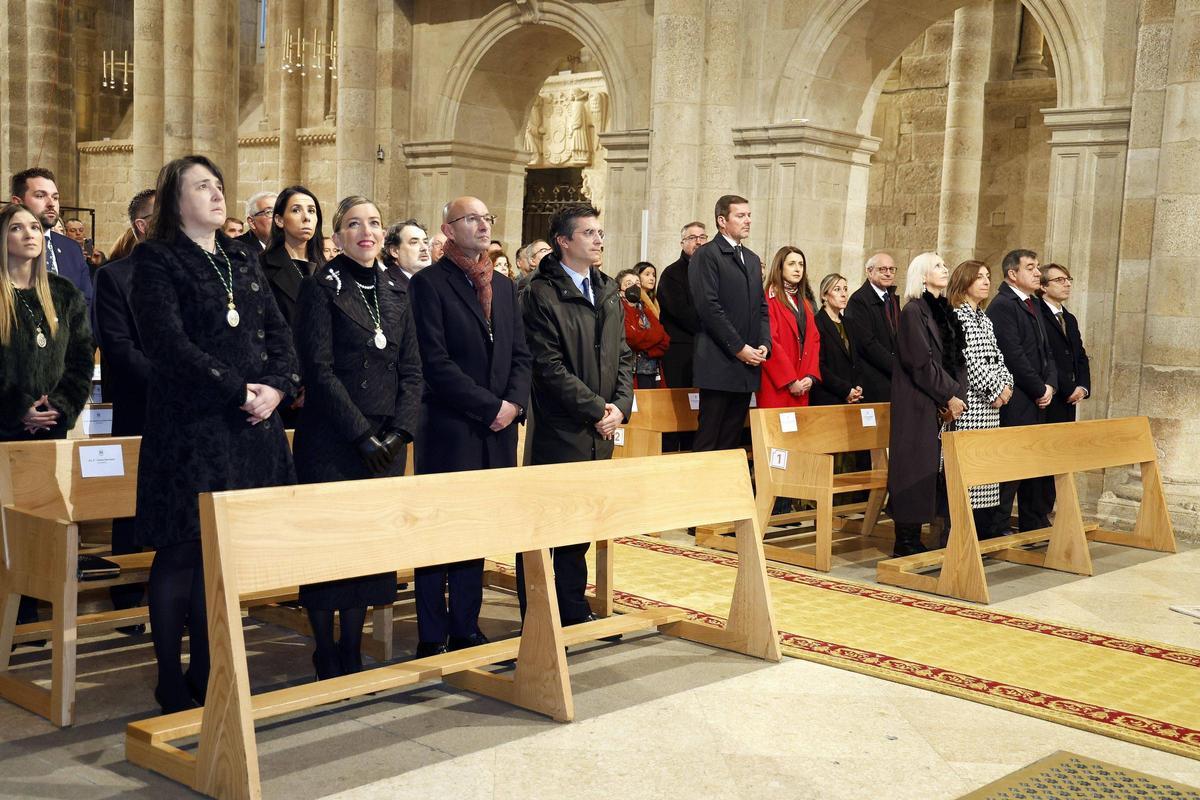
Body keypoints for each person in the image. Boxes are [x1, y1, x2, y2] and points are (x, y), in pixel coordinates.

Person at [131, 156, 299, 713]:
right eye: (202, 186)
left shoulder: (241, 255)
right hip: (190, 428)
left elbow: (278, 331)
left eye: (219, 185)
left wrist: (275, 388)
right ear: (175, 201)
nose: (216, 194)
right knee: (182, 550)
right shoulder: (157, 259)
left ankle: (208, 666)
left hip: (248, 428)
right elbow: (167, 343)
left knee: (223, 555)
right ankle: (168, 675)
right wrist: (238, 390)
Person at [292, 196, 421, 679]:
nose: (365, 231)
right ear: (339, 236)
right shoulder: (320, 285)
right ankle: (326, 647)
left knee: (369, 549)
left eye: (373, 223)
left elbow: (413, 368)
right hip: (334, 437)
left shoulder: (397, 287)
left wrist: (400, 432)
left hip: (387, 438)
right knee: (331, 547)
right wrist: (362, 435)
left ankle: (353, 644)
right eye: (353, 224)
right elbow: (319, 370)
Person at [408, 197, 531, 656]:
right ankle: (430, 634)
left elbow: (521, 354)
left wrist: (513, 405)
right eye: (472, 219)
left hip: (497, 429)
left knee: (475, 531)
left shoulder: (501, 285)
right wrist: (489, 406)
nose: (483, 225)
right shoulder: (428, 285)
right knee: (440, 532)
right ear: (448, 228)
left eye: (487, 217)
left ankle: (465, 625)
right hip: (450, 427)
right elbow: (434, 363)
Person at [521, 203, 632, 627]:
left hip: (600, 429)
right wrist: (596, 407)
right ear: (564, 242)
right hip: (560, 427)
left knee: (581, 528)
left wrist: (619, 408)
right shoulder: (539, 292)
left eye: (600, 232)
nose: (599, 239)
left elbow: (623, 355)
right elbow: (547, 366)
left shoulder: (605, 288)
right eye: (588, 233)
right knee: (546, 528)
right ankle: (536, 614)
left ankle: (572, 608)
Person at [0, 203, 93, 633]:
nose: (29, 234)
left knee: (42, 528)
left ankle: (32, 617)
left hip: (51, 430)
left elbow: (80, 360)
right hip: (5, 432)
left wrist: (61, 406)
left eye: (34, 227)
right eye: (17, 228)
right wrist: (18, 407)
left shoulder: (64, 294)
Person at [92, 187, 156, 630]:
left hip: (187, 407)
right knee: (132, 502)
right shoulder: (115, 276)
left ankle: (173, 592)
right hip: (138, 402)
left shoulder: (193, 273)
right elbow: (118, 346)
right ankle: (129, 595)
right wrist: (171, 381)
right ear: (141, 226)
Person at [887, 252, 968, 557]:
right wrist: (948, 394)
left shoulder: (944, 311)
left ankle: (918, 535)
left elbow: (957, 358)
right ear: (921, 276)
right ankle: (905, 539)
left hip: (941, 400)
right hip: (917, 402)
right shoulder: (912, 312)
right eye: (937, 266)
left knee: (931, 469)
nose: (945, 269)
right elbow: (920, 361)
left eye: (945, 265)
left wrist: (957, 393)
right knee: (912, 467)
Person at [689, 196, 769, 451]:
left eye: (749, 215)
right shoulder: (707, 255)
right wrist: (738, 347)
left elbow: (762, 308)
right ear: (722, 221)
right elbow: (709, 308)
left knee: (732, 440)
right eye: (740, 216)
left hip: (746, 364)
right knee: (709, 438)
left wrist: (764, 344)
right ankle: (700, 491)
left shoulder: (752, 259)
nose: (748, 220)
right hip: (719, 362)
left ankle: (725, 491)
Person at [987, 249, 1057, 533]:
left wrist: (1050, 384)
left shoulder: (1033, 303)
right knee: (1010, 467)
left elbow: (1046, 351)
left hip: (1037, 396)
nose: (1038, 273)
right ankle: (997, 526)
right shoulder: (1003, 305)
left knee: (1031, 465)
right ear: (1013, 274)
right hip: (1018, 398)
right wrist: (1040, 387)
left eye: (1037, 267)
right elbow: (1013, 355)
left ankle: (1032, 521)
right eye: (1031, 267)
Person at [949, 260, 1014, 539]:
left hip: (992, 407)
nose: (986, 282)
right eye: (979, 277)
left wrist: (1007, 386)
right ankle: (961, 536)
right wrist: (994, 390)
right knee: (969, 479)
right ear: (964, 282)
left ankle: (982, 535)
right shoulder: (958, 316)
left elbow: (998, 358)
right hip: (972, 406)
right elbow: (968, 362)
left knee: (986, 476)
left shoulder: (983, 318)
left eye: (988, 276)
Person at [10, 168, 94, 308]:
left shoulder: (71, 248)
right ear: (18, 203)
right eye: (40, 196)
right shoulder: (6, 245)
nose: (51, 203)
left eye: (55, 197)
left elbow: (86, 300)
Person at [758, 246, 820, 408]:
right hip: (778, 385)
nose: (798, 269)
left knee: (797, 432)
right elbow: (770, 342)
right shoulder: (769, 299)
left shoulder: (805, 303)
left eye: (801, 264)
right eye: (792, 264)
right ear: (780, 267)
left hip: (802, 384)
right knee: (776, 431)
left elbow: (814, 340)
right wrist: (790, 380)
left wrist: (810, 376)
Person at [260, 186, 326, 328]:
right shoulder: (262, 266)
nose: (306, 217)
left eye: (311, 211)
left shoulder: (327, 270)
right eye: (296, 210)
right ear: (279, 220)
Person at [843, 252, 899, 403]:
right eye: (882, 269)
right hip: (873, 379)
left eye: (891, 269)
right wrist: (896, 366)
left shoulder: (892, 298)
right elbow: (867, 344)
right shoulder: (858, 301)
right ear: (869, 271)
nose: (888, 273)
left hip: (894, 379)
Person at [1038, 263, 1089, 424]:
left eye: (1068, 279)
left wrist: (1082, 387)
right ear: (1043, 286)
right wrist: (1069, 388)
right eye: (1059, 280)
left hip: (1070, 398)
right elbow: (1043, 356)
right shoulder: (1036, 315)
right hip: (1047, 394)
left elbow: (1080, 355)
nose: (1067, 284)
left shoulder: (1069, 318)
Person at [657, 222, 705, 389]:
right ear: (682, 243)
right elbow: (682, 313)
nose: (698, 242)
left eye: (702, 237)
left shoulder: (713, 272)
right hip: (682, 350)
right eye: (692, 238)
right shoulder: (671, 274)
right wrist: (714, 326)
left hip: (709, 349)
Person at [811, 272, 863, 406]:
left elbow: (855, 360)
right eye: (837, 289)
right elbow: (819, 366)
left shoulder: (849, 323)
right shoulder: (817, 323)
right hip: (827, 396)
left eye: (845, 289)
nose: (844, 294)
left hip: (851, 396)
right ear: (824, 295)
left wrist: (857, 386)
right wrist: (845, 390)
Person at [617, 269, 670, 388]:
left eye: (637, 283)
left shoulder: (646, 310)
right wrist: (652, 340)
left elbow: (664, 338)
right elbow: (631, 338)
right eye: (629, 284)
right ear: (620, 291)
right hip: (631, 373)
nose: (634, 287)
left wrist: (646, 351)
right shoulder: (618, 311)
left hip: (653, 371)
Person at [381, 218, 431, 290]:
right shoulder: (384, 284)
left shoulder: (435, 281)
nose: (424, 248)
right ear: (394, 251)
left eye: (425, 242)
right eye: (414, 242)